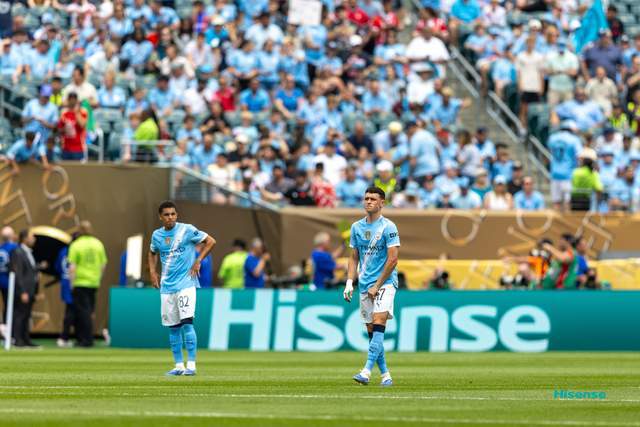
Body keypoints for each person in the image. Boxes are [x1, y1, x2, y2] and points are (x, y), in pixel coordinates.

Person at [149, 201, 216, 376]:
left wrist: (198, 260)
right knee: (173, 327)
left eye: (173, 214)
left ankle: (191, 365)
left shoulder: (186, 230)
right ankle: (179, 366)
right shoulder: (157, 235)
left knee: (187, 323)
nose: (170, 217)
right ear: (160, 217)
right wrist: (152, 272)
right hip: (167, 286)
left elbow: (210, 241)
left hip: (186, 283)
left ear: (176, 215)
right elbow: (152, 252)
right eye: (166, 214)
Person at [344, 186, 400, 387]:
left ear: (382, 203)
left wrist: (377, 285)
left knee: (378, 321)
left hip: (385, 283)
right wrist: (349, 282)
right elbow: (354, 257)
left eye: (373, 199)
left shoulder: (389, 227)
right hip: (365, 284)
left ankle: (366, 371)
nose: (368, 201)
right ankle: (385, 375)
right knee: (372, 331)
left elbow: (393, 260)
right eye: (366, 198)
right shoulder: (356, 227)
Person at [68, 221, 108, 347]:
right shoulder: (98, 244)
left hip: (80, 282)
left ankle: (86, 339)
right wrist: (98, 278)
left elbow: (72, 267)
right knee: (90, 311)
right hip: (93, 283)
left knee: (82, 312)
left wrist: (71, 283)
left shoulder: (76, 245)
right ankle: (84, 338)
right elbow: (103, 264)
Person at [9, 229, 39, 348]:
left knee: (26, 315)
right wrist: (22, 291)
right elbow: (18, 273)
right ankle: (17, 339)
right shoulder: (17, 252)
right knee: (20, 315)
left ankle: (26, 339)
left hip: (30, 290)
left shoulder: (28, 252)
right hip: (23, 290)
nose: (34, 239)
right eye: (32, 236)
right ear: (25, 238)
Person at [55, 238, 74, 348]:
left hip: (64, 283)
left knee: (70, 310)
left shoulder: (62, 251)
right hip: (73, 284)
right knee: (71, 312)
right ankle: (64, 337)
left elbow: (57, 267)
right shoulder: (76, 250)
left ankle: (65, 337)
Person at [0, 227, 17, 328]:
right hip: (10, 282)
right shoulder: (15, 247)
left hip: (3, 281)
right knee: (11, 307)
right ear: (12, 236)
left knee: (6, 307)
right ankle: (10, 330)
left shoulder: (1, 248)